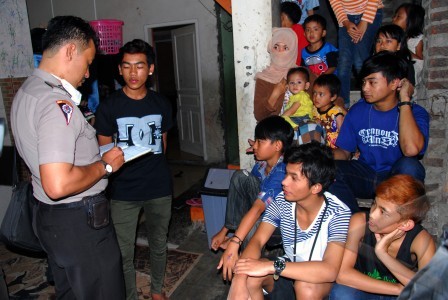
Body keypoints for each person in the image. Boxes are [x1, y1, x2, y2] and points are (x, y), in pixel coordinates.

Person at [10, 16, 125, 299]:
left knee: (71, 290)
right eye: (87, 64)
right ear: (70, 51)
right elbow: (58, 184)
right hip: (79, 222)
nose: (87, 75)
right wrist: (105, 165)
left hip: (49, 216)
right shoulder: (55, 103)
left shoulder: (28, 90)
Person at [95, 39, 173, 300]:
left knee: (159, 244)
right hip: (123, 192)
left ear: (150, 69)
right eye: (127, 66)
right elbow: (104, 155)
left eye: (139, 66)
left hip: (159, 188)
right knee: (123, 251)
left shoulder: (161, 104)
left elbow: (163, 145)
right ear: (119, 69)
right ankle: (128, 295)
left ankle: (158, 290)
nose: (133, 73)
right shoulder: (108, 107)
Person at [228, 142, 351, 300]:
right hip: (288, 268)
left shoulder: (338, 213)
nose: (284, 182)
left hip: (320, 280)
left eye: (294, 178)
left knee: (305, 287)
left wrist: (270, 266)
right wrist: (240, 276)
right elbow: (258, 240)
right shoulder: (282, 201)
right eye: (286, 174)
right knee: (250, 277)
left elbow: (329, 270)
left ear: (316, 187)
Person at [328, 51, 429, 214]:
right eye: (363, 82)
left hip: (395, 177)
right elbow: (345, 152)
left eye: (372, 82)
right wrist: (320, 156)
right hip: (366, 175)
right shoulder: (358, 110)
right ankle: (357, 221)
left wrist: (404, 100)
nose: (364, 88)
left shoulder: (415, 113)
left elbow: (411, 150)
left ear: (395, 83)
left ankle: (399, 225)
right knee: (327, 169)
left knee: (411, 165)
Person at [210, 116, 294, 281]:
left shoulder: (282, 172)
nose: (254, 146)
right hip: (261, 213)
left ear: (277, 146)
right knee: (241, 177)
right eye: (255, 141)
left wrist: (235, 242)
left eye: (260, 142)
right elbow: (249, 198)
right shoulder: (261, 165)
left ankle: (244, 267)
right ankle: (236, 237)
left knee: (253, 221)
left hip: (277, 225)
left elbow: (257, 209)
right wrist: (224, 231)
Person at [330, 175, 436, 299]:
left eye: (383, 212)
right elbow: (342, 275)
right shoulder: (359, 221)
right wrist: (398, 289)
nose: (373, 214)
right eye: (374, 203)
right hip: (365, 289)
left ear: (405, 224)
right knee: (342, 293)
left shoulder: (422, 240)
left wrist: (383, 254)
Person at [329, 0, 383, 107]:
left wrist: (365, 21)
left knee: (360, 60)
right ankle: (343, 105)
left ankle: (371, 102)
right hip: (346, 16)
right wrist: (346, 22)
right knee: (344, 62)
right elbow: (335, 2)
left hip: (370, 11)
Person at [254, 28, 298, 122]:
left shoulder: (302, 74)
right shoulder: (263, 78)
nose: (280, 52)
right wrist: (275, 94)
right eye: (276, 47)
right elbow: (258, 115)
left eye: (285, 48)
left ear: (293, 50)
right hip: (275, 132)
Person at [374, 24, 416, 93]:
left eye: (388, 41)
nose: (382, 45)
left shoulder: (405, 66)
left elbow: (409, 90)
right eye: (379, 41)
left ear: (398, 46)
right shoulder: (372, 64)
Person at [392, 3, 425, 92]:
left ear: (411, 20)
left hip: (410, 71)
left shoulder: (416, 39)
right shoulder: (395, 37)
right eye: (394, 16)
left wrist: (404, 49)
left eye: (398, 17)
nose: (393, 19)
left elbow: (419, 60)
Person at [312, 74, 345, 149]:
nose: (316, 97)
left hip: (335, 148)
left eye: (321, 94)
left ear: (333, 97)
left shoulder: (336, 112)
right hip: (319, 146)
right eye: (314, 93)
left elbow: (343, 132)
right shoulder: (313, 109)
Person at [280, 2, 309, 66]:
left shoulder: (298, 30)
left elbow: (300, 55)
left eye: (282, 19)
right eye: (281, 19)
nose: (282, 23)